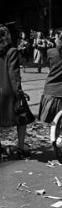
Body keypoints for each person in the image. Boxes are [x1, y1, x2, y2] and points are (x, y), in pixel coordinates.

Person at [0, 25, 33, 158]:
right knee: (22, 118)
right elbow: (13, 74)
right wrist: (19, 93)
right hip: (9, 92)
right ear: (7, 36)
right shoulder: (12, 51)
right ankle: (20, 147)